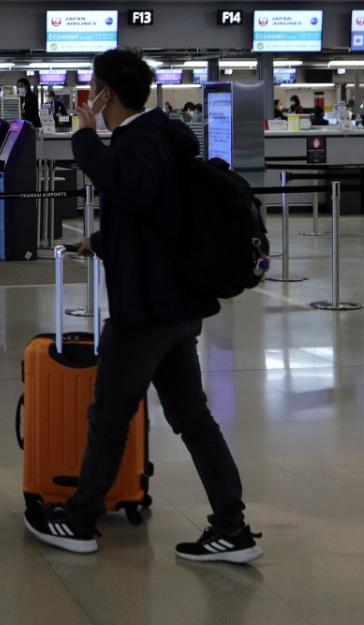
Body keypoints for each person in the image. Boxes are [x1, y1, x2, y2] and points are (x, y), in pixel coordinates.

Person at [23, 47, 262, 563]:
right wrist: (103, 240)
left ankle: (80, 520)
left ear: (106, 92)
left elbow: (130, 188)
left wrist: (84, 137)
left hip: (146, 313)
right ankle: (232, 527)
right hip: (176, 307)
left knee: (109, 416)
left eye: (93, 84)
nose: (89, 92)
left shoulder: (140, 141)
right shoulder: (166, 137)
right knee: (193, 418)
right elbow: (155, 218)